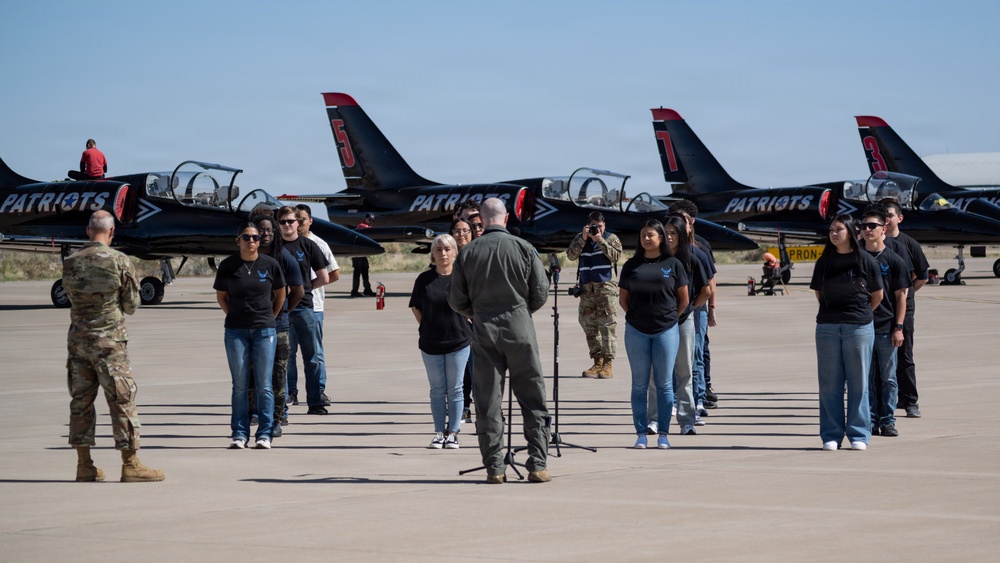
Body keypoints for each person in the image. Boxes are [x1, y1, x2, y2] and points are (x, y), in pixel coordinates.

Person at [449, 197, 551, 484]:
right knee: (532, 397)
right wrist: (519, 311)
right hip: (520, 330)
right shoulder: (524, 248)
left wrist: (480, 312)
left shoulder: (468, 254)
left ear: (480, 218)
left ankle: (495, 467)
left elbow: (456, 299)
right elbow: (540, 293)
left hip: (485, 332)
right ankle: (538, 465)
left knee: (487, 401)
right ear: (506, 218)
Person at [63, 210, 164, 482]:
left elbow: (72, 298)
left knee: (81, 402)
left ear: (88, 230)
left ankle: (84, 465)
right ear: (111, 232)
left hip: (78, 342)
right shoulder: (119, 261)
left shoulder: (71, 261)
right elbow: (131, 305)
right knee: (122, 400)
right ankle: (130, 464)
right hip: (109, 343)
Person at [810, 214, 883, 451]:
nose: (833, 233)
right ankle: (831, 435)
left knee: (858, 382)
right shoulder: (824, 262)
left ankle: (859, 434)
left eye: (838, 229)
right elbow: (819, 294)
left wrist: (859, 315)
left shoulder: (865, 261)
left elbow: (877, 296)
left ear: (851, 232)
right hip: (828, 327)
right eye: (830, 229)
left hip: (859, 327)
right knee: (829, 384)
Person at [214, 223, 286, 449]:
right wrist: (235, 315)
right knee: (240, 385)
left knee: (264, 384)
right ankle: (239, 433)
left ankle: (265, 433)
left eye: (255, 237)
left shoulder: (270, 265)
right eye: (246, 237)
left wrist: (269, 318)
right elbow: (222, 297)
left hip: (265, 330)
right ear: (238, 240)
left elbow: (281, 294)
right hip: (236, 331)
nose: (251, 241)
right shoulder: (228, 266)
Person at [619, 220, 689, 450]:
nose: (646, 239)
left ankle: (664, 434)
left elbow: (684, 300)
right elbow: (623, 300)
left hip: (666, 330)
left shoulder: (673, 264)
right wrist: (639, 318)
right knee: (639, 385)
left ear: (660, 238)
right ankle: (641, 433)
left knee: (665, 385)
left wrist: (669, 319)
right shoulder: (631, 265)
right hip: (636, 331)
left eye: (650, 235)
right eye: (642, 235)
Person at [647, 215, 710, 437]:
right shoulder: (654, 259)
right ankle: (654, 420)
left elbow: (706, 289)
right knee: (657, 375)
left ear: (682, 235)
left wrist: (691, 307)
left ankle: (686, 421)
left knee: (685, 373)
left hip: (683, 323)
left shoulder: (692, 259)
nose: (670, 237)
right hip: (659, 324)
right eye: (667, 233)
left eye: (674, 233)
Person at [410, 234, 472, 449]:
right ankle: (439, 432)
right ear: (433, 254)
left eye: (447, 249)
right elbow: (416, 307)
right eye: (438, 250)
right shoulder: (424, 280)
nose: (443, 253)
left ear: (455, 252)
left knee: (455, 388)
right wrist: (425, 326)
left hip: (459, 341)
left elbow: (474, 304)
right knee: (437, 389)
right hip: (430, 343)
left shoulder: (463, 278)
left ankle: (453, 432)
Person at [859, 207, 910, 438]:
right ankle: (869, 420)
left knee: (888, 378)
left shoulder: (894, 259)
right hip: (860, 327)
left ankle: (887, 420)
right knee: (865, 378)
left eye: (872, 226)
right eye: (864, 226)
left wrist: (899, 327)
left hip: (886, 327)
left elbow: (901, 296)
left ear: (883, 228)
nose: (867, 230)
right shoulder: (855, 257)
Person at [253, 214, 304, 437]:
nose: (265, 235)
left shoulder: (284, 257)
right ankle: (256, 412)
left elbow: (298, 291)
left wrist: (282, 312)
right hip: (251, 325)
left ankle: (279, 415)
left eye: (269, 231)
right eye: (260, 231)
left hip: (278, 326)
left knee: (278, 374)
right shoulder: (247, 258)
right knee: (253, 375)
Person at [277, 206, 330, 415]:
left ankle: (315, 402)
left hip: (305, 309)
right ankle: (283, 403)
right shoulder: (272, 247)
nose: (288, 225)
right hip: (280, 311)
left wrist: (304, 288)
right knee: (282, 359)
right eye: (283, 222)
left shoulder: (309, 245)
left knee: (313, 357)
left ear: (298, 223)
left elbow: (324, 277)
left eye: (291, 221)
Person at [880, 198, 929, 419]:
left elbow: (922, 276)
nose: (886, 219)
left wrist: (906, 296)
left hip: (903, 307)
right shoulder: (870, 244)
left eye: (890, 215)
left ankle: (910, 401)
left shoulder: (909, 244)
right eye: (883, 216)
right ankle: (883, 400)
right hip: (879, 308)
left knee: (904, 355)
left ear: (899, 218)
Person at [290, 204, 340, 409]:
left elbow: (334, 274)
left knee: (315, 353)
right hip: (289, 307)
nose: (299, 223)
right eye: (296, 219)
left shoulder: (319, 244)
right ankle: (290, 391)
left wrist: (307, 288)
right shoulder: (285, 244)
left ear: (310, 221)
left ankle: (319, 390)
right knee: (288, 351)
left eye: (303, 219)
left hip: (314, 306)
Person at [565, 211, 623, 379]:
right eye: (594, 226)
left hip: (605, 289)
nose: (597, 228)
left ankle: (608, 363)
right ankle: (597, 361)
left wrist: (600, 240)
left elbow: (616, 256)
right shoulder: (582, 238)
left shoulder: (611, 238)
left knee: (607, 325)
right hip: (586, 289)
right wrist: (583, 239)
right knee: (588, 325)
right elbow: (570, 255)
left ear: (604, 225)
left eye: (600, 225)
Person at [450, 217, 476, 423]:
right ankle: (463, 406)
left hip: (476, 317)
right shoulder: (447, 255)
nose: (462, 234)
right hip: (455, 318)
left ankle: (486, 407)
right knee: (460, 368)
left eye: (466, 230)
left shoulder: (477, 253)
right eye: (457, 231)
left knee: (478, 366)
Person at [351, 213, 377, 297]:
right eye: (369, 220)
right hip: (357, 254)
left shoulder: (367, 227)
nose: (371, 222)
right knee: (357, 273)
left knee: (365, 272)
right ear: (365, 219)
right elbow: (366, 229)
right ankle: (354, 291)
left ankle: (367, 289)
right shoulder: (361, 226)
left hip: (363, 254)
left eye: (373, 220)